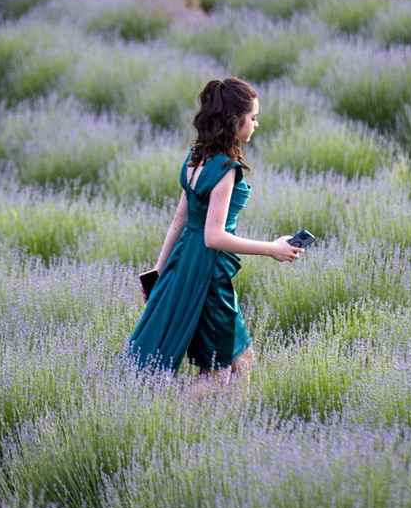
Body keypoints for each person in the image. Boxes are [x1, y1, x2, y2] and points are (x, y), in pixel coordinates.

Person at [125, 77, 303, 392]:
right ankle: (161, 412)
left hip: (185, 264)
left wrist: (160, 270)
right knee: (219, 373)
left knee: (240, 360)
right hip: (207, 274)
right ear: (235, 120)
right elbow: (214, 237)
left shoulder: (196, 158)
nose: (256, 124)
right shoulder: (226, 169)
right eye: (252, 118)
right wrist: (272, 248)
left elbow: (180, 219)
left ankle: (224, 428)